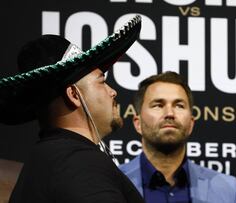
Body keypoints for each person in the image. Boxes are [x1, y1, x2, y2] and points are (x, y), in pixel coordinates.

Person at [0, 15, 144, 203]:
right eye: (102, 81)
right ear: (74, 95)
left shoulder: (51, 158)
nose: (113, 92)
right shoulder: (79, 163)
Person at [119, 71, 236, 203]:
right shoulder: (112, 183)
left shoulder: (228, 189)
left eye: (179, 105)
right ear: (138, 123)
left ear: (191, 123)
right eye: (158, 105)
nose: (169, 113)